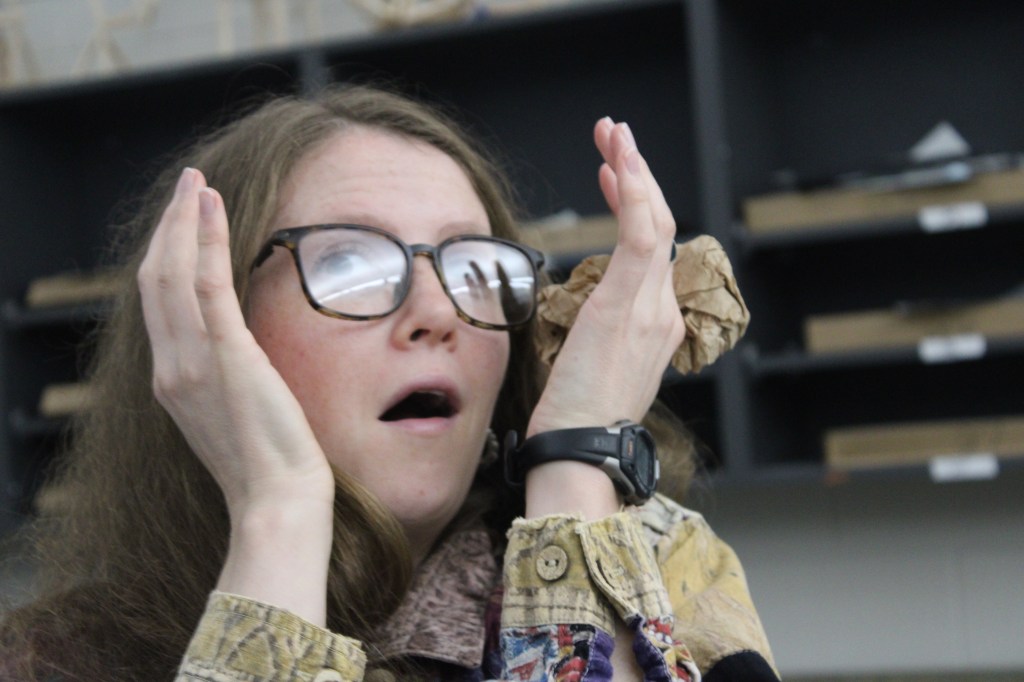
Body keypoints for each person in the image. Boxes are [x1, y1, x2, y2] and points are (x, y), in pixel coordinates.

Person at [0, 84, 777, 681]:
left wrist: (577, 462)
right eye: (350, 263)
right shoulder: (50, 660)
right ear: (204, 327)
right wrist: (280, 513)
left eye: (474, 267)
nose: (436, 313)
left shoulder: (669, 571)